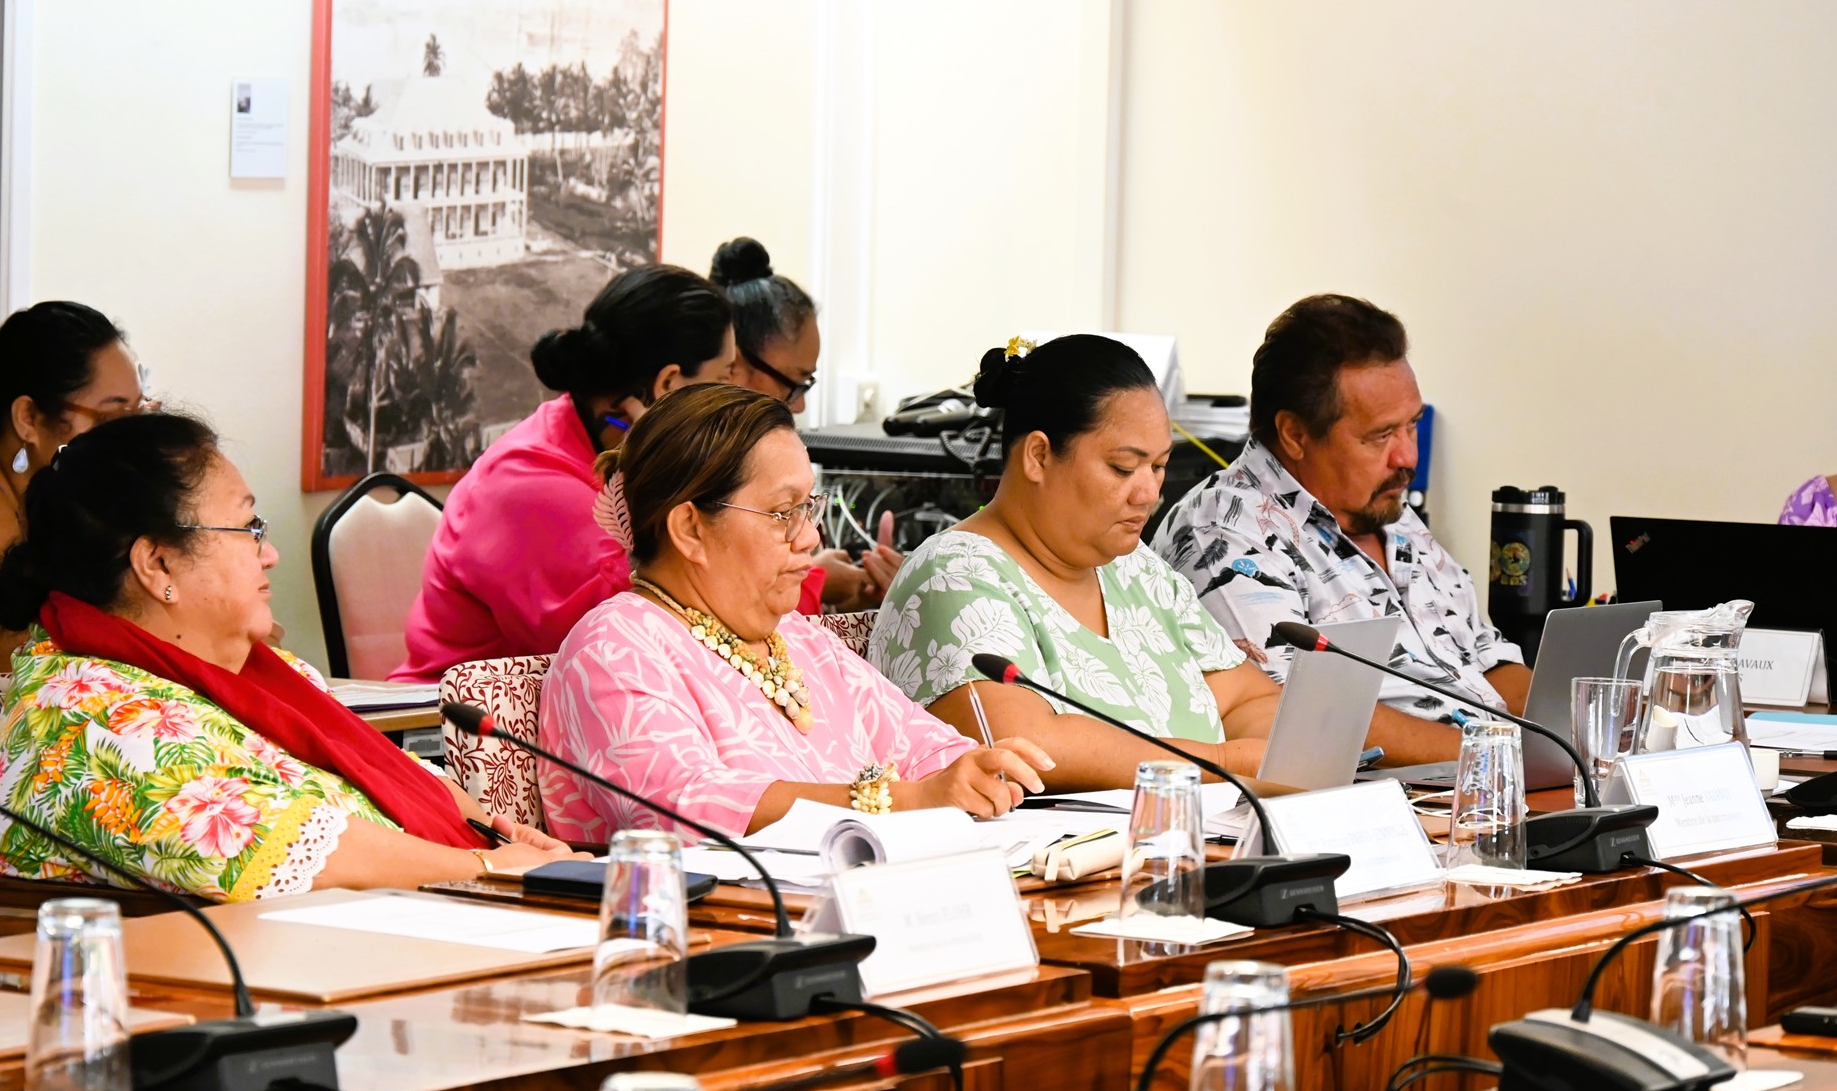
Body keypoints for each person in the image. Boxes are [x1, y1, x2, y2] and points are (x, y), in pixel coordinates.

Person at [0, 412, 574, 901]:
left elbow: (384, 783)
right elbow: (282, 846)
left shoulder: (252, 671)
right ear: (158, 565)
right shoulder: (86, 717)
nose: (271, 553)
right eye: (248, 528)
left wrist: (500, 839)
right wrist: (486, 869)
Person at [538, 383, 1049, 842]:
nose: (810, 537)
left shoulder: (799, 638)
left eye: (809, 508)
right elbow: (686, 805)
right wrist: (907, 799)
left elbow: (926, 749)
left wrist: (977, 772)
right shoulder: (614, 647)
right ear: (690, 529)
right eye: (783, 513)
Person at [871, 336, 1278, 793]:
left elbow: (1248, 701)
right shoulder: (954, 575)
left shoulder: (1138, 570)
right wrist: (1224, 762)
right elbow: (1025, 746)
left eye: (1159, 466)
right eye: (1123, 468)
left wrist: (1273, 754)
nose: (1149, 494)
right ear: (1039, 456)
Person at [1153, 294, 1529, 766]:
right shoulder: (1222, 532)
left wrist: (1572, 734)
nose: (1408, 457)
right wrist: (1501, 759)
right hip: (1397, 791)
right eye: (1380, 436)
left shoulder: (1387, 508)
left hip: (1492, 776)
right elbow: (1304, 718)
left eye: (1411, 426)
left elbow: (1487, 658)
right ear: (1295, 434)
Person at [396, 264, 751, 681]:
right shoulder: (532, 484)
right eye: (724, 378)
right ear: (668, 384)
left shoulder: (595, 444)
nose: (732, 398)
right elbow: (637, 639)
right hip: (452, 716)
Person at [0, 302, 154, 675]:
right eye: (114, 417)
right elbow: (2, 661)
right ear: (29, 418)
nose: (132, 437)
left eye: (140, 412)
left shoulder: (62, 492)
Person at [712, 235, 903, 611]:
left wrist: (842, 602)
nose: (798, 404)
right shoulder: (697, 468)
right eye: (794, 382)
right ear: (734, 361)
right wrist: (813, 583)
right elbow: (715, 612)